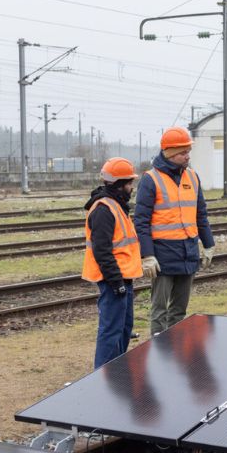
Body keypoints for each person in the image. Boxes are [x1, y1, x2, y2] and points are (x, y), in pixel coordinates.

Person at [134, 126, 216, 336]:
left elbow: (201, 214)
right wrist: (147, 255)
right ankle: (159, 354)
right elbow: (141, 222)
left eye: (188, 151)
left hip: (188, 253)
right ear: (169, 153)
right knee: (159, 311)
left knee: (179, 311)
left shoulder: (192, 177)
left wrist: (208, 244)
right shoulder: (150, 180)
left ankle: (176, 350)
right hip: (162, 255)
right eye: (182, 153)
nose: (187, 156)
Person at [82, 157, 143, 368]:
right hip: (112, 281)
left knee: (124, 328)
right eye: (129, 183)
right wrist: (116, 282)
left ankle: (116, 372)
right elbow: (102, 252)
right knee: (111, 331)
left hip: (123, 278)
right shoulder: (103, 210)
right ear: (118, 184)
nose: (131, 188)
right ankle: (103, 379)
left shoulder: (116, 206)